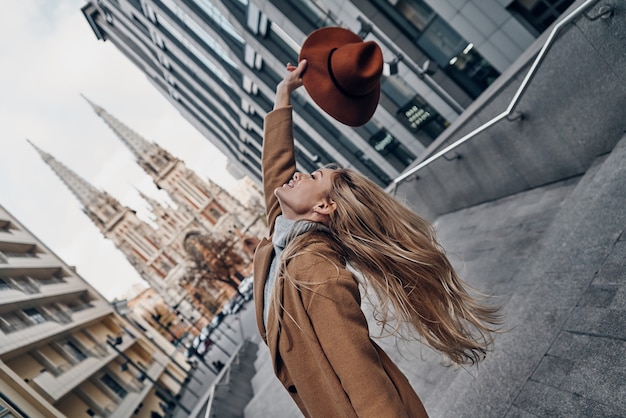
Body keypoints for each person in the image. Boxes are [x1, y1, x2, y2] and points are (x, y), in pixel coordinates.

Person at [252, 27, 501, 418]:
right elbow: (277, 171)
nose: (299, 175)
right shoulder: (285, 240)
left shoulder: (316, 271)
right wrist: (284, 94)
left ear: (324, 208)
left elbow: (366, 385)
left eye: (313, 177)